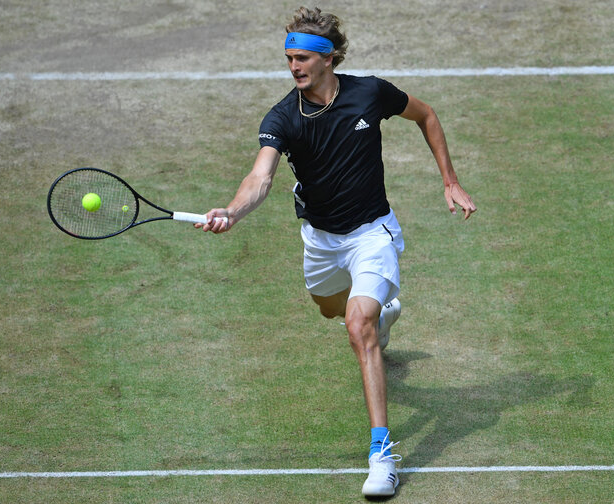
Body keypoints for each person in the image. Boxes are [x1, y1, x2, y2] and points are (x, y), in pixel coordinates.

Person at [196, 6, 476, 498]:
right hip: (321, 241)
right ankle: (383, 312)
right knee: (333, 310)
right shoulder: (283, 117)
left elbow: (425, 114)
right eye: (288, 58)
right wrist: (235, 211)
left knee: (357, 326)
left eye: (302, 58)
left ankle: (382, 454)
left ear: (328, 59)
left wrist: (449, 181)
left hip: (373, 232)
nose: (293, 67)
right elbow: (260, 177)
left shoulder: (369, 92)